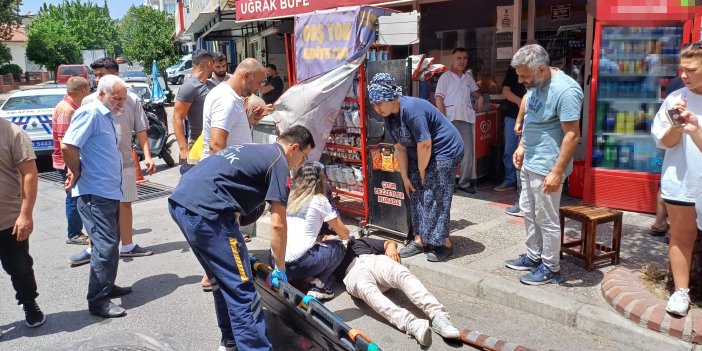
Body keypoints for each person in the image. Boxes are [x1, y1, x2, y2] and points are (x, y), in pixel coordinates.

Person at [168, 126, 315, 351]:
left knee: (220, 278)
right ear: (294, 147)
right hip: (209, 215)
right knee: (242, 290)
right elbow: (278, 224)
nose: (301, 163)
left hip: (182, 202)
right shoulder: (279, 163)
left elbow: (224, 184)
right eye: (303, 157)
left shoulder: (254, 150)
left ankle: (230, 342)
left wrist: (231, 251)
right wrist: (281, 268)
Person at [504, 44, 583, 285]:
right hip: (530, 160)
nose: (520, 80)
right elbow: (531, 115)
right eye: (518, 75)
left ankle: (551, 267)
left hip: (548, 164)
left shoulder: (567, 90)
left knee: (546, 217)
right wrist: (522, 146)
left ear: (541, 69)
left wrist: (557, 171)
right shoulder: (536, 84)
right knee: (528, 211)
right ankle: (533, 255)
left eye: (524, 75)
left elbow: (572, 135)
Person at [68, 58, 156, 266]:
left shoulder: (131, 99)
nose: (98, 79)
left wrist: (148, 155)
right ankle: (93, 248)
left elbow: (141, 129)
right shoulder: (90, 103)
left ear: (115, 74)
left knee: (124, 203)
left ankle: (127, 245)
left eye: (102, 75)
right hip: (96, 167)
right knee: (96, 209)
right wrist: (75, 169)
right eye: (96, 76)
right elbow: (73, 142)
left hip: (124, 161)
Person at [368, 73, 464, 262]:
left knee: (436, 195)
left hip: (445, 150)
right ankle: (421, 239)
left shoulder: (412, 109)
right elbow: (399, 147)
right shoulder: (389, 116)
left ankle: (443, 242)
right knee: (416, 192)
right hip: (420, 151)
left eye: (380, 102)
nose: (377, 108)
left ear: (391, 97)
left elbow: (425, 143)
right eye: (374, 104)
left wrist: (422, 171)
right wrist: (404, 177)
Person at [61, 75, 133, 318]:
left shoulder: (106, 115)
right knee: (104, 246)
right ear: (101, 94)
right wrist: (76, 170)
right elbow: (68, 145)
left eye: (123, 98)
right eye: (116, 98)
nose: (121, 103)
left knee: (111, 244)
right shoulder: (91, 113)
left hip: (108, 191)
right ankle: (98, 300)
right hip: (95, 193)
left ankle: (106, 286)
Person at [332, 237, 460, 346]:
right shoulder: (328, 256)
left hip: (372, 259)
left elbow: (388, 243)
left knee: (400, 273)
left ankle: (438, 315)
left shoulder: (357, 242)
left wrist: (391, 247)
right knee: (366, 289)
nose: (328, 237)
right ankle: (411, 324)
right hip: (352, 272)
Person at [651, 43, 702, 317]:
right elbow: (664, 142)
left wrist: (695, 129)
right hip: (681, 181)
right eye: (681, 69)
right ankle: (681, 292)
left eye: (691, 70)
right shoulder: (674, 99)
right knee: (682, 236)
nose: (684, 75)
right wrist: (677, 127)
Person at [0, 116, 45, 329]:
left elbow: (29, 174)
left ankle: (29, 302)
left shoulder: (12, 132)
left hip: (9, 219)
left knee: (20, 267)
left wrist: (25, 214)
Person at [282, 163, 349, 300]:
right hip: (301, 265)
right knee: (340, 245)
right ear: (320, 179)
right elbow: (344, 233)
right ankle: (320, 284)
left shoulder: (289, 197)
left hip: (278, 261)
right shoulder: (319, 199)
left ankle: (295, 278)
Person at [435, 48, 483, 194]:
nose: (462, 61)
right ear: (453, 59)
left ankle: (464, 183)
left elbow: (475, 91)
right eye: (459, 58)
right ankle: (448, 182)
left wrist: (479, 97)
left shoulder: (468, 77)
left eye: (464, 58)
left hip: (466, 119)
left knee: (467, 153)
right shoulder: (445, 77)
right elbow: (438, 98)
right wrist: (443, 120)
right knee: (449, 153)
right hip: (450, 119)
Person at [201, 58, 267, 159]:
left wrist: (247, 121)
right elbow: (216, 146)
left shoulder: (231, 96)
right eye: (259, 82)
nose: (259, 87)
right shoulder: (226, 99)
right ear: (246, 75)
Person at [52, 77, 91, 245]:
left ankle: (77, 230)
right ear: (82, 90)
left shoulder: (71, 107)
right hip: (67, 162)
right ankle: (74, 233)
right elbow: (64, 142)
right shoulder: (66, 110)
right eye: (88, 88)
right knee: (73, 196)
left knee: (76, 195)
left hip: (71, 160)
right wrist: (71, 168)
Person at [173, 50, 216, 172]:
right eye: (213, 64)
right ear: (209, 64)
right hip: (197, 144)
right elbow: (177, 118)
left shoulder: (212, 86)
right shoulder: (189, 87)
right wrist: (183, 149)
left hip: (213, 143)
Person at [496, 66, 527, 193]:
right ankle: (510, 180)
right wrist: (521, 102)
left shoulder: (540, 69)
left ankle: (524, 186)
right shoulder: (513, 68)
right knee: (510, 149)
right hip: (513, 116)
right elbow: (506, 91)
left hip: (534, 117)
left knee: (529, 151)